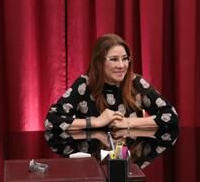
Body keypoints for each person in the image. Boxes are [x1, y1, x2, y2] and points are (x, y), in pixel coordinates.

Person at [45, 33, 178, 132]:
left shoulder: (136, 82)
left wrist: (128, 122)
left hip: (130, 157)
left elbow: (171, 116)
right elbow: (52, 121)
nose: (122, 65)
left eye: (125, 59)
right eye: (114, 59)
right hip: (94, 159)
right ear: (99, 62)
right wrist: (95, 122)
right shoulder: (84, 84)